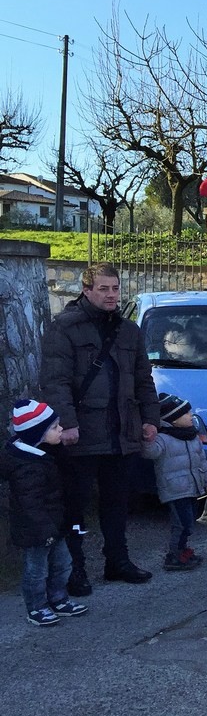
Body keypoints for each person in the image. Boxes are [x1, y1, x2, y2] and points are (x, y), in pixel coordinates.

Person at [40, 262, 160, 595]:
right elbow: (55, 381)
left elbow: (143, 380)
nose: (111, 295)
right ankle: (73, 569)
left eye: (115, 288)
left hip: (122, 432)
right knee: (75, 508)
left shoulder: (129, 331)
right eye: (103, 289)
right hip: (79, 435)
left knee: (117, 503)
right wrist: (67, 423)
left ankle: (117, 562)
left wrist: (151, 419)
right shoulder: (63, 328)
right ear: (86, 289)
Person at [1, 400, 89, 626]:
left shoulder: (45, 454)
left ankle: (58, 599)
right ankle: (36, 607)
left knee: (63, 563)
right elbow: (30, 504)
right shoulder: (26, 466)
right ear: (37, 433)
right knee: (36, 570)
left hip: (54, 524)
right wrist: (45, 530)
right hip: (37, 530)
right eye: (54, 427)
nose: (60, 429)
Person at [143, 394, 207, 572]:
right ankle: (174, 555)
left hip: (193, 487)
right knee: (181, 523)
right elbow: (150, 453)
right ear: (173, 419)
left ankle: (183, 550)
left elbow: (201, 460)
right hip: (175, 489)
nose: (191, 416)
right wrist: (147, 439)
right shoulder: (162, 439)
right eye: (186, 413)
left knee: (189, 522)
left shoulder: (192, 436)